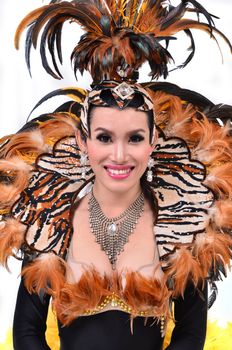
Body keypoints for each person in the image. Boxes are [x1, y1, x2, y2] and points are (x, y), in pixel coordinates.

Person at [0, 1, 231, 349]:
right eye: (104, 137)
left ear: (154, 141)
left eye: (135, 138)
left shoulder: (186, 217)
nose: (119, 155)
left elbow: (190, 334)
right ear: (82, 140)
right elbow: (27, 333)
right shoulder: (48, 216)